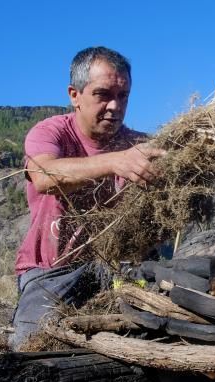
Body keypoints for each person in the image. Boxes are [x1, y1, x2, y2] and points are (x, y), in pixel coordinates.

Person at [10, 46, 165, 351]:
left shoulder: (139, 144)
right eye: (103, 94)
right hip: (53, 270)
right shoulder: (50, 132)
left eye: (123, 97)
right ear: (74, 94)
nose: (114, 106)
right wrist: (114, 162)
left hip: (119, 266)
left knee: (163, 329)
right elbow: (44, 176)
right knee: (32, 346)